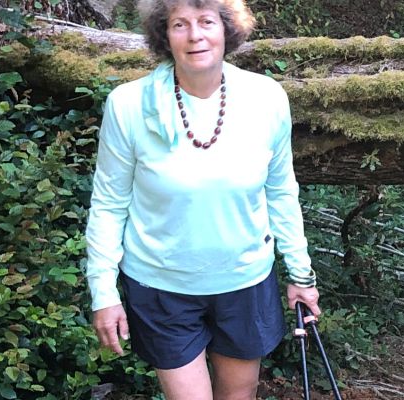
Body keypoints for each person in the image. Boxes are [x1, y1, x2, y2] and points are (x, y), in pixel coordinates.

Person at [82, 0, 321, 398]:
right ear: (164, 35)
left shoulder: (267, 98)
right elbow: (108, 204)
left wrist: (301, 274)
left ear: (227, 28)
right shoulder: (127, 106)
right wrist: (103, 292)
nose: (195, 35)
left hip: (245, 280)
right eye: (180, 24)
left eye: (206, 21)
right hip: (161, 285)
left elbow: (281, 192)